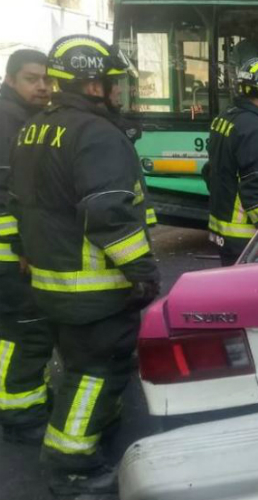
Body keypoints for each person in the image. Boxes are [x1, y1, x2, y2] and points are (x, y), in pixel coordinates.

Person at [9, 35, 160, 495]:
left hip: (50, 282)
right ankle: (71, 464)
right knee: (98, 371)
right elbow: (109, 213)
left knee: (79, 367)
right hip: (93, 289)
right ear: (92, 84)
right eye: (113, 83)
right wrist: (143, 271)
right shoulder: (95, 134)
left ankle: (93, 430)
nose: (118, 92)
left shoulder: (34, 128)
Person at [0, 49, 53, 444]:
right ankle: (21, 413)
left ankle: (18, 397)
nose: (42, 87)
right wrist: (21, 246)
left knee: (12, 332)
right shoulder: (8, 121)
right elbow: (8, 195)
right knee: (27, 332)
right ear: (11, 79)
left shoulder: (22, 117)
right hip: (10, 254)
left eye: (46, 79)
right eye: (32, 78)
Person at [206, 57, 258, 267]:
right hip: (247, 237)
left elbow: (210, 171)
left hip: (222, 229)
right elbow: (257, 195)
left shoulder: (225, 118)